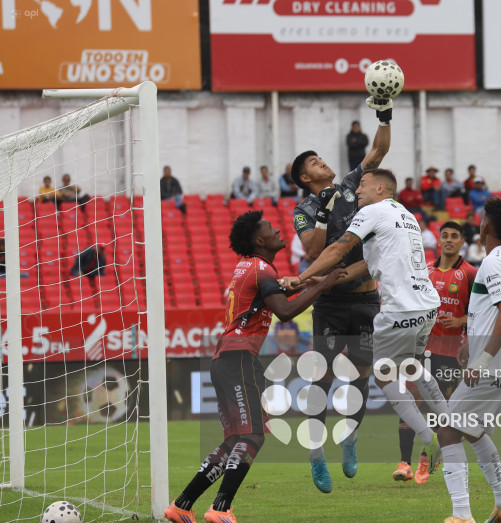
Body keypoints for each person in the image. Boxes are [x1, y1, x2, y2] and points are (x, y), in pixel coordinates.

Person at [163, 210, 344, 523]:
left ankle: (181, 506)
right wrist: (324, 285)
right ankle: (220, 509)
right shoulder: (262, 269)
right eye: (271, 228)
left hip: (227, 358)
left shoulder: (249, 267)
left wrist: (305, 283)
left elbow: (272, 297)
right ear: (260, 240)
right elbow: (284, 312)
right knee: (253, 435)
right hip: (239, 357)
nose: (278, 230)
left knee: (236, 439)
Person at [287, 168, 449, 492]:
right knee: (413, 367)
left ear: (380, 188)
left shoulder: (371, 212)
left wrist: (301, 277)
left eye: (363, 185)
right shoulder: (406, 215)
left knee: (383, 377)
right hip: (428, 305)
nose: (357, 190)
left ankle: (429, 437)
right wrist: (326, 279)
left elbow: (335, 250)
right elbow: (367, 265)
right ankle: (449, 425)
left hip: (398, 309)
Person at [289, 95, 392, 493]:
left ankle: (350, 437)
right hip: (330, 302)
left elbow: (378, 150)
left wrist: (384, 114)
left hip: (366, 299)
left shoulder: (351, 185)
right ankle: (316, 454)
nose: (322, 162)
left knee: (362, 374)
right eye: (314, 163)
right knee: (323, 378)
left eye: (320, 158)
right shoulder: (304, 208)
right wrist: (322, 212)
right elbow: (313, 252)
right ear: (305, 178)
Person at [438, 196, 501, 523]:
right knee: (471, 430)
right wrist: (471, 346)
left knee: (448, 428)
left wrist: (482, 360)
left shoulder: (493, 263)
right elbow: (492, 311)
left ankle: (462, 515)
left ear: (486, 226)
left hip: (492, 364)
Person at [394, 222, 477, 485]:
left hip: (450, 353)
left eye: (454, 236)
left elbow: (484, 312)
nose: (449, 240)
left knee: (438, 410)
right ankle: (404, 463)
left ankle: (426, 457)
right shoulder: (425, 271)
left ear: (462, 242)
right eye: (445, 236)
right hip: (420, 349)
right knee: (409, 401)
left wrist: (462, 320)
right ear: (438, 241)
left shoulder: (471, 274)